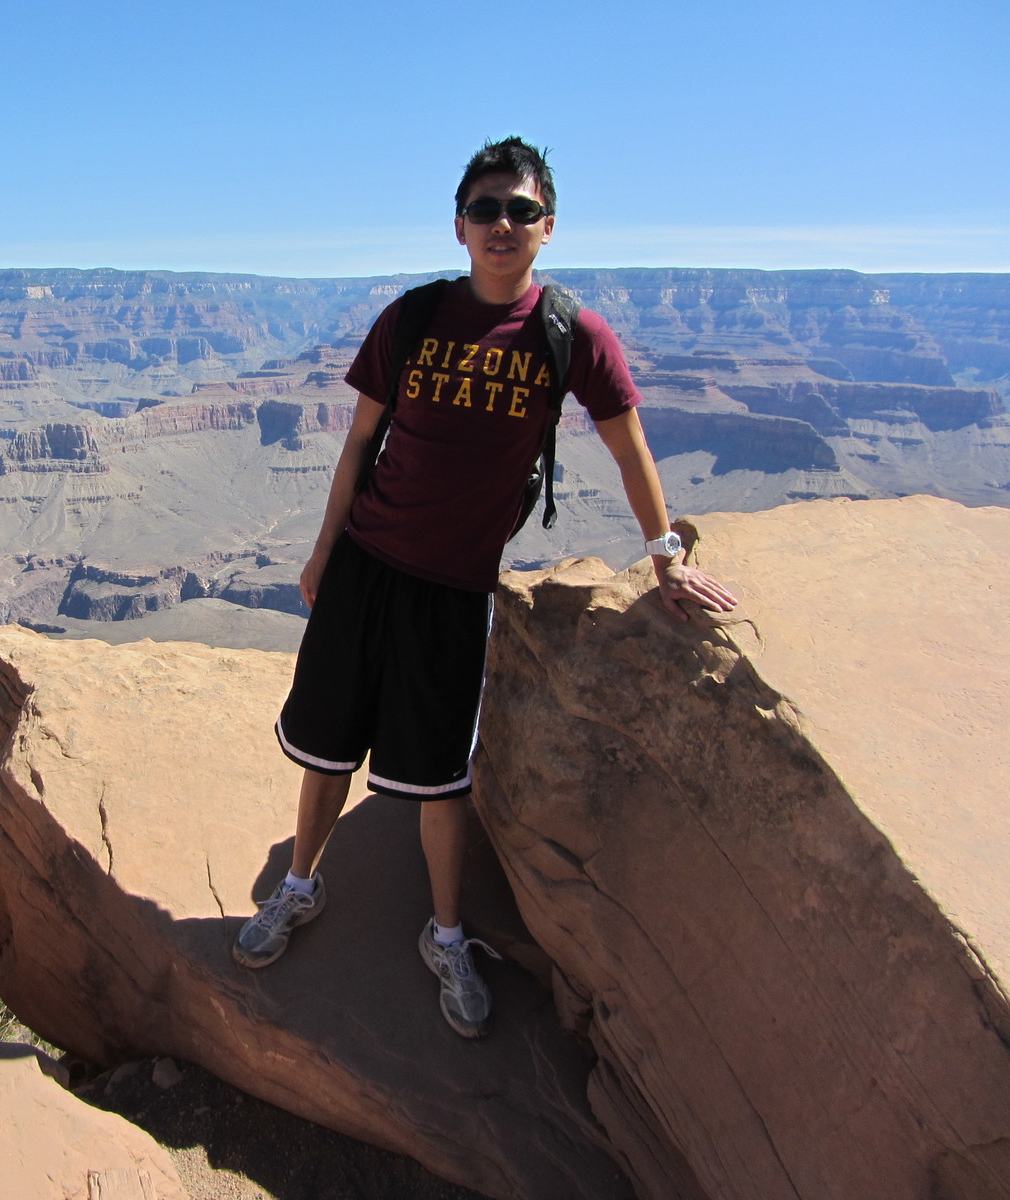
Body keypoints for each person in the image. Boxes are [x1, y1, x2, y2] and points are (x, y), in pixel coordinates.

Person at [231, 136, 738, 1038]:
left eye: (521, 210)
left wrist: (667, 557)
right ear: (459, 225)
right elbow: (358, 443)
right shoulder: (416, 316)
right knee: (326, 749)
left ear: (549, 226)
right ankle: (300, 886)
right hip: (367, 564)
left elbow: (629, 448)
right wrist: (321, 553)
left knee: (441, 780)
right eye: (486, 209)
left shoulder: (571, 334)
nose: (503, 224)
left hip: (455, 589)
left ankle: (446, 934)